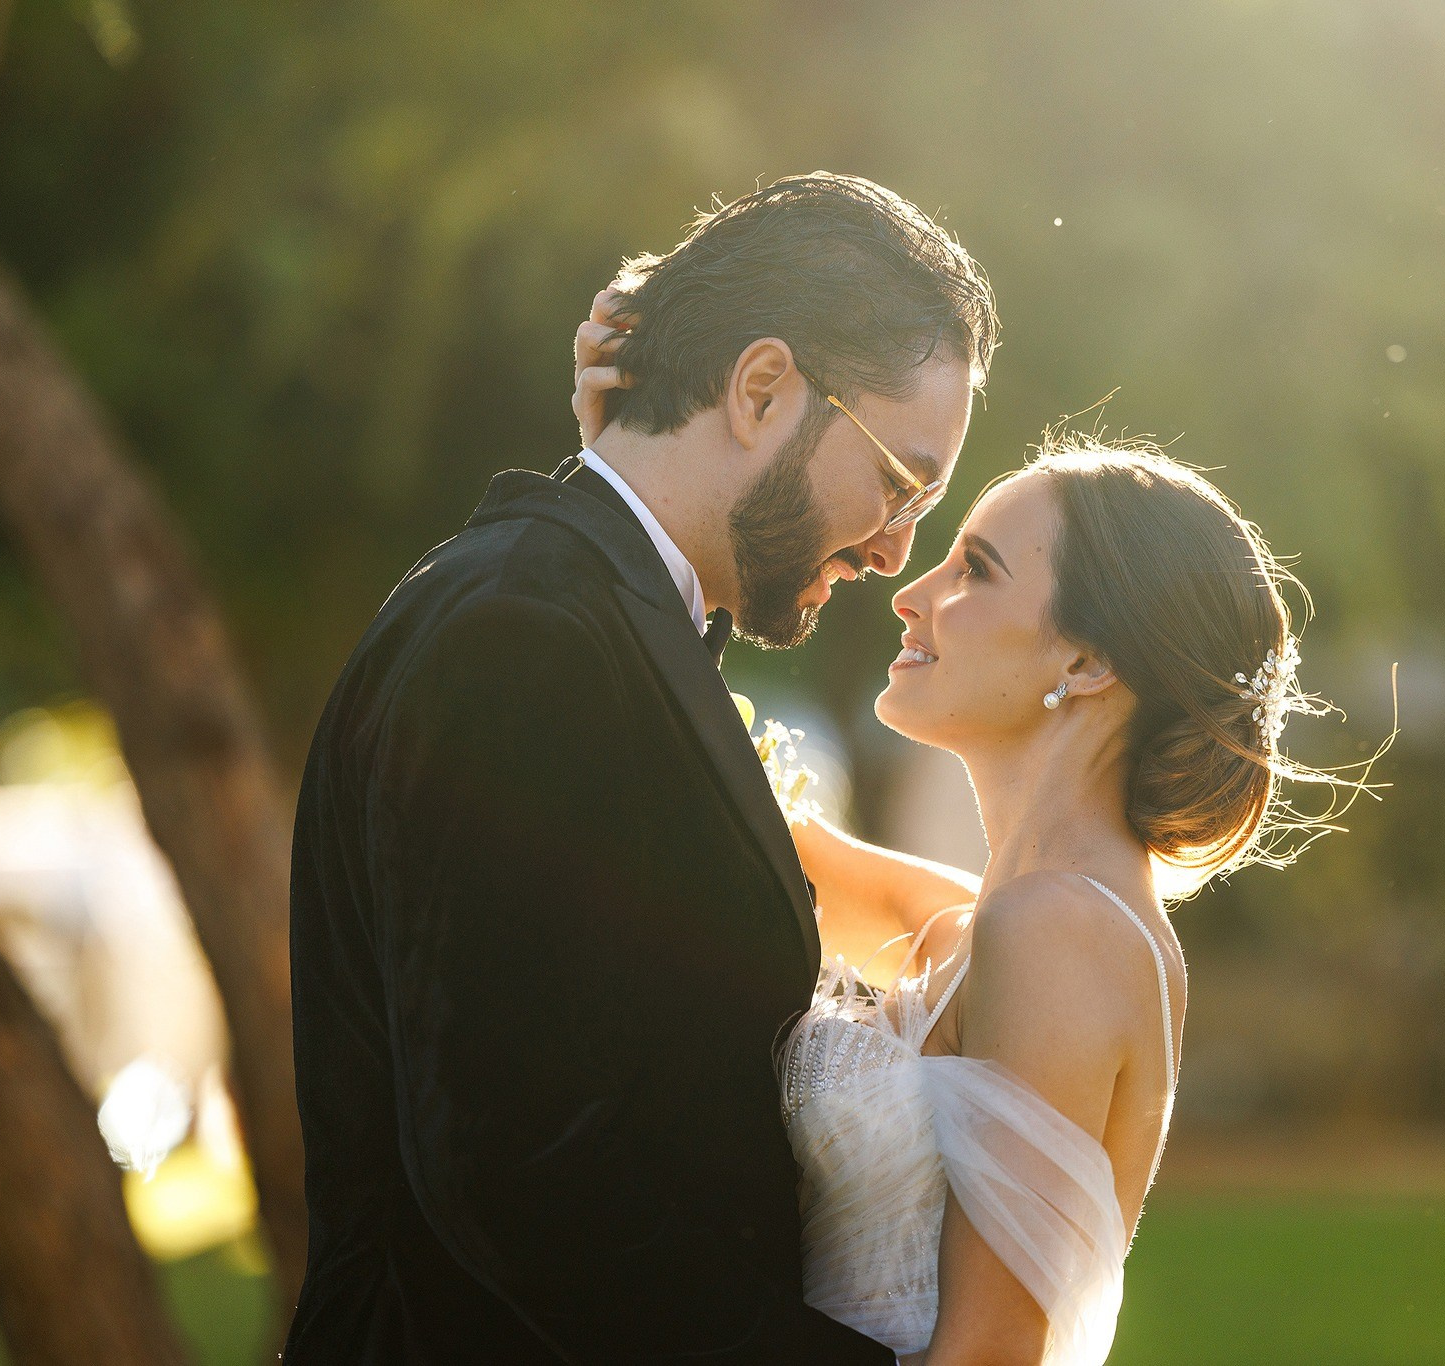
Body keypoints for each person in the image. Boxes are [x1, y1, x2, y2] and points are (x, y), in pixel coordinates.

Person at [283, 171, 997, 1363]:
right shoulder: (519, 636)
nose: (892, 549)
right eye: (897, 481)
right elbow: (522, 1187)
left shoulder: (581, 616)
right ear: (763, 387)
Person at [573, 317, 1338, 1366]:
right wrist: (641, 463)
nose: (910, 592)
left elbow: (986, 1356)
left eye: (971, 568)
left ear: (1085, 660)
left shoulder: (1055, 929)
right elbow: (742, 829)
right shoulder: (996, 921)